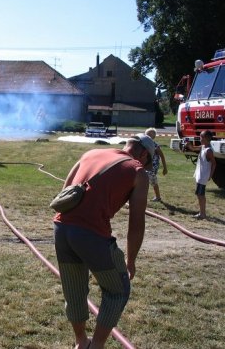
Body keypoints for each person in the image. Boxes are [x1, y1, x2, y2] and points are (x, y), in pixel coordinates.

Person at [53, 134, 153, 349]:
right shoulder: (138, 172)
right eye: (147, 160)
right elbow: (136, 222)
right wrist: (131, 261)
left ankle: (81, 342)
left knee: (74, 289)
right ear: (144, 154)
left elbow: (64, 193)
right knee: (118, 290)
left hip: (61, 229)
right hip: (91, 235)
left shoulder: (90, 153)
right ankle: (97, 345)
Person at [185, 130, 217, 219]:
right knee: (199, 194)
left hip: (203, 176)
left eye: (201, 137)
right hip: (200, 175)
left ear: (206, 139)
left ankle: (202, 214)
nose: (200, 139)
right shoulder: (203, 147)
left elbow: (214, 163)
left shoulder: (208, 151)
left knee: (201, 195)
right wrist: (188, 145)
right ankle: (202, 213)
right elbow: (194, 148)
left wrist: (210, 175)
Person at [145, 128, 168, 201]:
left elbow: (162, 156)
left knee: (152, 180)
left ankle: (158, 197)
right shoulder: (144, 144)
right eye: (147, 135)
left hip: (153, 166)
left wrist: (165, 168)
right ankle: (142, 194)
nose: (148, 137)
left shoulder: (155, 145)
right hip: (146, 165)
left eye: (150, 135)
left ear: (154, 137)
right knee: (144, 179)